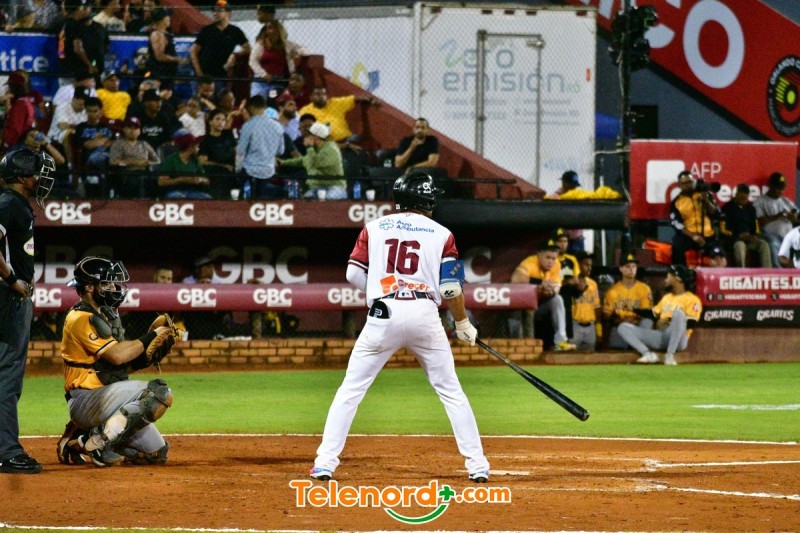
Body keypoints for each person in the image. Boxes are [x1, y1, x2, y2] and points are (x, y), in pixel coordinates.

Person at [310, 171, 490, 483]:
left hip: (383, 313)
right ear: (427, 199)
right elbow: (450, 288)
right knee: (451, 391)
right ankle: (477, 466)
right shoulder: (443, 234)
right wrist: (462, 322)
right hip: (424, 314)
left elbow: (353, 274)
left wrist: (378, 292)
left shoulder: (373, 227)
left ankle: (325, 463)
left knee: (351, 390)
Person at [56, 256, 176, 467]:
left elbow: (116, 367)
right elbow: (117, 355)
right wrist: (151, 336)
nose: (113, 287)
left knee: (156, 454)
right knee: (159, 393)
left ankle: (76, 441)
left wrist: (143, 359)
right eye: (107, 283)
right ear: (90, 287)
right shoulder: (80, 318)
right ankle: (96, 443)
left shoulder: (105, 314)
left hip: (106, 399)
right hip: (86, 399)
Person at [0, 146, 54, 474]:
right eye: (36, 172)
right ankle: (7, 451)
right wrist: (12, 280)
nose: (41, 177)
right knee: (7, 375)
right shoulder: (10, 203)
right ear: (22, 177)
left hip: (7, 297)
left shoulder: (13, 203)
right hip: (8, 298)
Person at [618, 264, 702, 366]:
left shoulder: (692, 299)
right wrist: (632, 309)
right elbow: (652, 314)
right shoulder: (667, 297)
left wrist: (668, 320)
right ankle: (648, 354)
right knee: (623, 327)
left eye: (668, 277)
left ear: (678, 279)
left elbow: (691, 323)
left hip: (679, 340)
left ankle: (670, 355)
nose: (665, 280)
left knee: (678, 313)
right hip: (662, 336)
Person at [510, 239, 576, 351]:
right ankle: (517, 346)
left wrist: (552, 291)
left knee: (557, 299)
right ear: (539, 254)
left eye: (553, 258)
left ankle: (560, 341)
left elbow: (557, 286)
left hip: (541, 306)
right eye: (548, 257)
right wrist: (540, 283)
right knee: (517, 320)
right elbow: (515, 279)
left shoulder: (556, 265)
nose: (551, 261)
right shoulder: (530, 262)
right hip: (523, 308)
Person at [279, 122, 346, 200]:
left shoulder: (331, 149)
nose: (306, 137)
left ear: (316, 137)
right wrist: (283, 162)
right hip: (317, 187)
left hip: (335, 187)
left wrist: (309, 147)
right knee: (306, 200)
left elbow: (317, 163)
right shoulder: (315, 149)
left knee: (327, 200)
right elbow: (303, 160)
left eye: (309, 135)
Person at [602, 253, 654, 350]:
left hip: (638, 326)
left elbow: (648, 313)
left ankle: (645, 351)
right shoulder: (612, 291)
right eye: (628, 266)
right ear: (620, 268)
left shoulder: (644, 289)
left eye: (634, 266)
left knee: (647, 322)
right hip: (620, 325)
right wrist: (620, 320)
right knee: (616, 350)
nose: (631, 269)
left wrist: (634, 319)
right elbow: (607, 316)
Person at [236, 95, 284, 199]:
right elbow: (281, 151)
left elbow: (240, 150)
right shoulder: (277, 126)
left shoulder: (248, 125)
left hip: (250, 171)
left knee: (244, 204)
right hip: (269, 171)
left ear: (251, 107)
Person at [189, 0, 250, 82]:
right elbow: (193, 51)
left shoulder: (235, 31)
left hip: (221, 75)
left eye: (219, 11)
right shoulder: (207, 30)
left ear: (228, 13)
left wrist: (235, 55)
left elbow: (248, 48)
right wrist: (199, 73)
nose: (215, 13)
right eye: (214, 11)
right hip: (205, 74)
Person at [669, 170, 720, 265]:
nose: (687, 185)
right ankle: (681, 271)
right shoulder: (676, 202)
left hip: (708, 234)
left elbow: (716, 213)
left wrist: (706, 200)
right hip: (689, 235)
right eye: (684, 183)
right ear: (679, 185)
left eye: (690, 182)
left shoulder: (704, 194)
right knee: (676, 246)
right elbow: (675, 223)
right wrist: (694, 236)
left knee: (719, 256)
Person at [248, 19, 308, 99]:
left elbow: (305, 50)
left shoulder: (287, 44)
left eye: (272, 28)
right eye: (267, 28)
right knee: (257, 100)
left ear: (279, 31)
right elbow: (252, 61)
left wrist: (297, 53)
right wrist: (263, 74)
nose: (269, 31)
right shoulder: (260, 44)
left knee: (274, 101)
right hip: (261, 80)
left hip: (278, 81)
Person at [298, 85, 378, 144]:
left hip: (347, 139)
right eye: (318, 94)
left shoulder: (334, 103)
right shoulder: (305, 111)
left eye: (324, 94)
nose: (322, 97)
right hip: (326, 144)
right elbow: (302, 129)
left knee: (357, 139)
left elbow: (354, 99)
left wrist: (371, 100)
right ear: (311, 97)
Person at [720, 183, 771, 268]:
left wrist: (754, 236)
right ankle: (742, 272)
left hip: (749, 240)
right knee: (740, 246)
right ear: (736, 194)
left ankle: (767, 272)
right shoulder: (727, 208)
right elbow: (723, 230)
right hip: (734, 240)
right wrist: (738, 236)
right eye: (741, 198)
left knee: (764, 245)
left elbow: (756, 228)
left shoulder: (751, 209)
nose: (743, 200)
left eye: (745, 198)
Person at [754, 172, 799, 267]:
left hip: (788, 237)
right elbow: (759, 221)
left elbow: (797, 215)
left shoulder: (786, 201)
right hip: (770, 235)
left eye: (782, 188)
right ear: (770, 185)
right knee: (772, 242)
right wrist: (778, 216)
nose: (780, 191)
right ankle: (777, 271)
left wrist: (794, 219)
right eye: (777, 187)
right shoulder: (760, 201)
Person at [108, 116, 160, 198]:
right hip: (126, 174)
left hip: (144, 172)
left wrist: (147, 162)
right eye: (129, 128)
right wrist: (132, 163)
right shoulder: (118, 144)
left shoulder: (144, 144)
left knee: (154, 180)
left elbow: (157, 161)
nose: (132, 131)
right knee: (139, 179)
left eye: (135, 128)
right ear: (124, 129)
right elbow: (113, 161)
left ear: (139, 131)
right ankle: (139, 202)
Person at [74, 97, 115, 197]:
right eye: (89, 111)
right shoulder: (81, 128)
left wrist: (96, 141)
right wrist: (104, 139)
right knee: (96, 158)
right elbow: (88, 145)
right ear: (85, 111)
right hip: (89, 159)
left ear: (100, 111)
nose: (92, 114)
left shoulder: (107, 127)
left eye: (95, 111)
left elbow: (113, 143)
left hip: (108, 156)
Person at [157, 132, 212, 199]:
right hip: (175, 191)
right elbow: (161, 182)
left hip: (193, 192)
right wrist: (181, 180)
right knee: (178, 196)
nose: (198, 149)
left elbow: (207, 180)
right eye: (197, 147)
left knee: (207, 197)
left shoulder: (195, 160)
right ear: (190, 147)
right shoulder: (171, 160)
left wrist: (200, 180)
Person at [198, 109, 237, 198]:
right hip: (216, 175)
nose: (221, 122)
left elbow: (237, 152)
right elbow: (202, 161)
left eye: (223, 120)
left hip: (232, 172)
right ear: (210, 122)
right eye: (218, 119)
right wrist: (223, 166)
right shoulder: (206, 140)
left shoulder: (228, 136)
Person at [58, 0, 97, 83]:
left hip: (64, 68)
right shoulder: (77, 26)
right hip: (77, 70)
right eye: (83, 8)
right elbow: (78, 49)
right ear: (78, 9)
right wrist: (90, 65)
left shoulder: (62, 24)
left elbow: (60, 50)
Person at [146, 8, 184, 87]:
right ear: (162, 19)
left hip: (167, 73)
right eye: (167, 16)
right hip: (160, 74)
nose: (169, 18)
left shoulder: (164, 33)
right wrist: (177, 59)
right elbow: (159, 56)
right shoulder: (157, 34)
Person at [570, 252, 600, 351]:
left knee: (590, 358)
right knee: (571, 357)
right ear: (578, 264)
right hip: (574, 325)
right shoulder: (570, 282)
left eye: (590, 265)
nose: (589, 268)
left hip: (590, 327)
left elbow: (596, 307)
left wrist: (598, 329)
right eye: (586, 265)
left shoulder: (593, 284)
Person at [2, 71, 36, 150]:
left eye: (10, 86)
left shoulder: (20, 105)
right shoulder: (26, 101)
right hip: (21, 144)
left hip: (17, 146)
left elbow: (15, 130)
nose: (9, 88)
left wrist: (6, 145)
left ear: (14, 87)